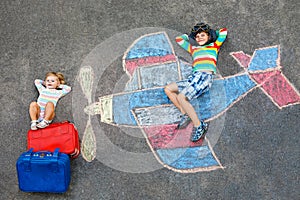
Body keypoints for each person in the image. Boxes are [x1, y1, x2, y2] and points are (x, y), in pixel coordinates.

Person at [164, 22, 227, 142]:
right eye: (197, 37)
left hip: (204, 76)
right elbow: (179, 39)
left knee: (182, 97)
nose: (200, 38)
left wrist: (212, 34)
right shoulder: (193, 48)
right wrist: (191, 37)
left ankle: (199, 126)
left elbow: (223, 32)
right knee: (168, 89)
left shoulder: (214, 46)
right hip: (194, 77)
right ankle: (185, 113)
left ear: (209, 36)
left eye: (203, 35)